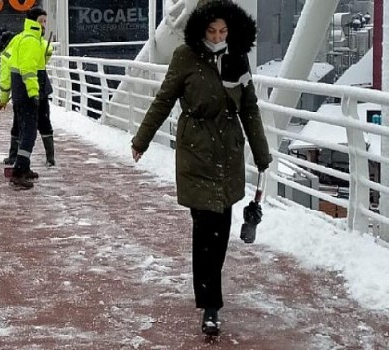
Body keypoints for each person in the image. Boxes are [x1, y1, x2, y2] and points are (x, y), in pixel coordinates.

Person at [130, 0, 272, 336]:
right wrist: (142, 140)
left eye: (223, 31)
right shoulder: (185, 57)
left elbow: (249, 108)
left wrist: (261, 153)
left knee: (221, 225)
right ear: (200, 30)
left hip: (228, 150)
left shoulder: (237, 57)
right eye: (212, 31)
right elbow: (164, 99)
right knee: (204, 224)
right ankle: (210, 305)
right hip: (196, 148)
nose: (217, 36)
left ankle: (210, 294)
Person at [0, 8, 47, 189]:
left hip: (18, 92)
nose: (44, 25)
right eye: (42, 21)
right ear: (34, 22)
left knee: (25, 131)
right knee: (29, 133)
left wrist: (4, 96)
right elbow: (28, 69)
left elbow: (11, 66)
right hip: (26, 93)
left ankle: (24, 167)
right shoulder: (31, 41)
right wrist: (34, 93)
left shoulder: (20, 38)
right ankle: (18, 172)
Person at [0, 28, 55, 168]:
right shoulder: (31, 40)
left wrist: (4, 98)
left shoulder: (8, 53)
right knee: (44, 121)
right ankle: (50, 157)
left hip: (22, 92)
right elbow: (47, 52)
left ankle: (14, 157)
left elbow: (6, 78)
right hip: (40, 85)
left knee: (19, 124)